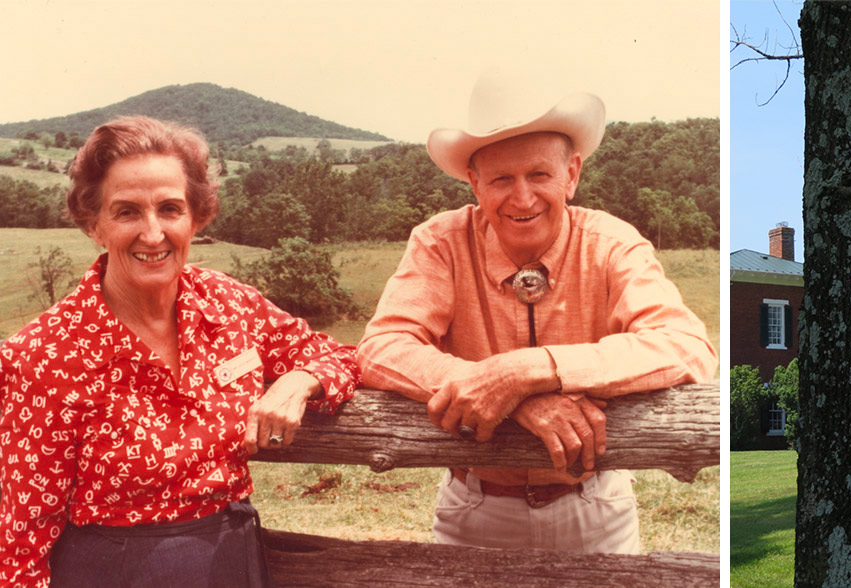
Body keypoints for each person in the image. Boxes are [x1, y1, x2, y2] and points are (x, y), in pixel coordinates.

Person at [357, 78, 717, 554]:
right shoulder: (440, 241)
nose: (522, 198)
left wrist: (534, 370)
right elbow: (383, 348)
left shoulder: (612, 243)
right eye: (502, 179)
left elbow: (686, 345)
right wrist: (505, 391)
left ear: (571, 174)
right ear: (475, 183)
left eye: (540, 175)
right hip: (476, 510)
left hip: (594, 509)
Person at [0, 116, 359, 587]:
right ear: (94, 224)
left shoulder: (229, 305)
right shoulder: (44, 354)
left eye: (170, 208)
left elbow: (339, 355)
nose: (153, 234)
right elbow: (18, 542)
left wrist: (298, 381)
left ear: (196, 216)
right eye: (127, 211)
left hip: (234, 560)